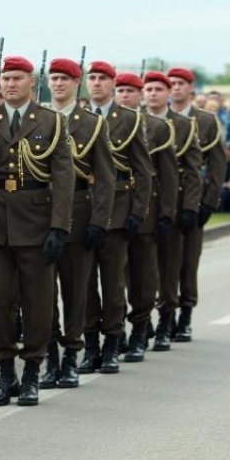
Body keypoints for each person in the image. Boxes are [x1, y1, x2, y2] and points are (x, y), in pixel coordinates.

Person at [0, 56, 74, 406]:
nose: (10, 84)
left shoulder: (50, 122)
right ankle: (6, 371)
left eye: (17, 78)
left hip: (37, 224)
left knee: (38, 302)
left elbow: (64, 179)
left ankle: (33, 371)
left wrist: (59, 226)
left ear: (31, 82)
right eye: (5, 78)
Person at [39, 58, 114, 389]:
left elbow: (107, 179)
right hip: (39, 213)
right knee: (41, 293)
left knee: (75, 290)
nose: (58, 84)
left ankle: (72, 354)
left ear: (76, 83)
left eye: (65, 79)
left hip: (79, 212)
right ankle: (50, 357)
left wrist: (99, 220)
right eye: (53, 78)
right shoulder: (36, 119)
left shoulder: (92, 123)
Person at [80, 60, 152, 374]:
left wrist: (138, 211)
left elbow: (143, 170)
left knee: (112, 281)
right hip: (81, 207)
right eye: (91, 78)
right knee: (82, 282)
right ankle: (90, 344)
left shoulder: (130, 120)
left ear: (112, 83)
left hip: (117, 208)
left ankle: (112, 342)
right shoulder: (75, 118)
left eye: (102, 78)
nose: (96, 83)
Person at [114, 72, 178, 363]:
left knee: (142, 274)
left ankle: (140, 327)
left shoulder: (155, 126)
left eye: (129, 90)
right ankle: (116, 330)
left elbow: (166, 175)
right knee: (117, 276)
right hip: (111, 209)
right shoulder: (102, 124)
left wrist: (166, 213)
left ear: (138, 94)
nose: (124, 95)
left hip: (144, 209)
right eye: (120, 90)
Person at [142, 71, 202, 351]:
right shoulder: (134, 122)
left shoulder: (184, 125)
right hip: (142, 204)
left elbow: (193, 172)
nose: (152, 94)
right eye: (148, 89)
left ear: (168, 93)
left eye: (158, 89)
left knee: (171, 266)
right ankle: (143, 319)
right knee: (138, 268)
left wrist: (192, 207)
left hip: (172, 205)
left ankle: (169, 318)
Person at [167, 67, 227, 341]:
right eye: (171, 84)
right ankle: (164, 314)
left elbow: (216, 165)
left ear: (190, 88)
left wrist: (209, 203)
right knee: (161, 263)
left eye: (180, 83)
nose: (175, 88)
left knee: (188, 261)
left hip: (192, 196)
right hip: (162, 198)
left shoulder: (205, 121)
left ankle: (186, 313)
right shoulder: (156, 118)